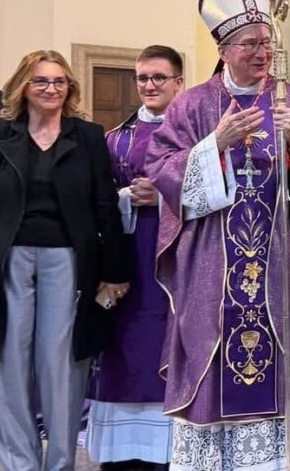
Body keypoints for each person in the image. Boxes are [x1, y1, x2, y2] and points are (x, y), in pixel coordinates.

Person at [145, 0, 290, 470]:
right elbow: (163, 169)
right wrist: (215, 145)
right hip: (213, 263)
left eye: (266, 42)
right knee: (212, 352)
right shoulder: (192, 107)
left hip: (281, 262)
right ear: (223, 50)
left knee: (282, 352)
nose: (260, 53)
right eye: (248, 44)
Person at [0, 50, 131, 471]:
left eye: (60, 81)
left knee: (62, 365)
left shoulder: (88, 134)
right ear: (23, 86)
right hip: (8, 261)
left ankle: (59, 462)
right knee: (8, 361)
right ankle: (20, 463)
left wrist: (114, 271)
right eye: (41, 81)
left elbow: (104, 204)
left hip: (68, 260)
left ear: (69, 88)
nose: (52, 89)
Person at [87, 45, 185, 470]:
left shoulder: (194, 133)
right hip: (130, 253)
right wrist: (128, 195)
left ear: (179, 82)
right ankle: (122, 451)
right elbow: (99, 200)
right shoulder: (116, 138)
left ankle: (174, 446)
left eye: (159, 77)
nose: (149, 85)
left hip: (179, 254)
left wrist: (164, 196)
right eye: (142, 77)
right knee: (125, 344)